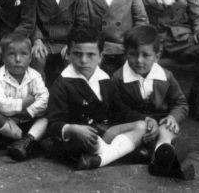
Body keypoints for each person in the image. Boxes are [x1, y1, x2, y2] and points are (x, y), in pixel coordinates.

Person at [44, 27, 147, 170]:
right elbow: (53, 124)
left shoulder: (104, 79)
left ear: (101, 56)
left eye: (91, 54)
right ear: (68, 54)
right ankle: (120, 152)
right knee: (91, 142)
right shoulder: (62, 83)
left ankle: (101, 159)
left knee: (142, 126)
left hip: (103, 131)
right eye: (77, 54)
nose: (84, 60)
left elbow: (120, 110)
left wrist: (145, 119)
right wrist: (72, 129)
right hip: (78, 137)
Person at [112, 25, 194, 180]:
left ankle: (161, 153)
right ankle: (163, 155)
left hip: (161, 123)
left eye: (145, 55)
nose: (139, 60)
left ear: (157, 55)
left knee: (169, 130)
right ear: (126, 54)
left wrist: (173, 118)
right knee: (136, 140)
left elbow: (180, 103)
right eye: (133, 54)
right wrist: (144, 122)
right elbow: (118, 109)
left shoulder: (166, 77)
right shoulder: (118, 79)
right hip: (136, 124)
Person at [0, 33, 49, 161]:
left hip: (29, 120)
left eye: (23, 54)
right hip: (9, 124)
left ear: (30, 58)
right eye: (11, 54)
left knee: (47, 115)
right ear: (2, 57)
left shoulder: (34, 76)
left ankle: (27, 140)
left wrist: (28, 111)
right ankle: (22, 140)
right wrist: (25, 102)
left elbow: (44, 98)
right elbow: (0, 103)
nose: (17, 59)